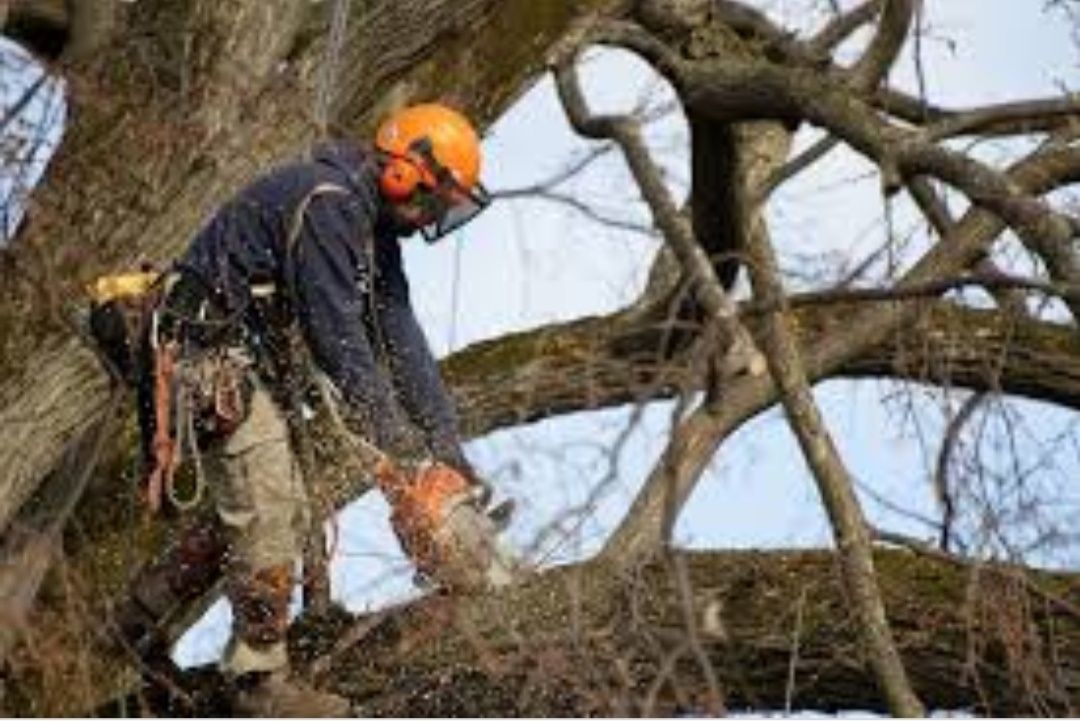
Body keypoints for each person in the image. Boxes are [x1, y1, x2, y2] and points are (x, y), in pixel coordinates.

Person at [108, 103, 515, 716]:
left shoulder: (371, 229)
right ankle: (258, 684)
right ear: (405, 172)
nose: (432, 216)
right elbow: (340, 342)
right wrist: (404, 452)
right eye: (434, 199)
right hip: (206, 353)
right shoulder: (328, 203)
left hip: (243, 363)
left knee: (282, 506)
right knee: (268, 505)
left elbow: (399, 337)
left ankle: (135, 617)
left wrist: (448, 450)